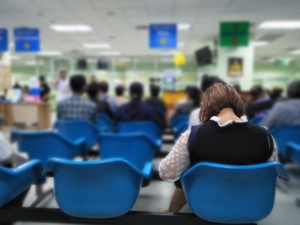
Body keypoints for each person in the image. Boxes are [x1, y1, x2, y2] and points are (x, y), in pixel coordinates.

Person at [159, 83, 278, 212]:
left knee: (188, 168)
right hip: (252, 207)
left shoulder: (193, 135)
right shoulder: (265, 135)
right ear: (238, 103)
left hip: (205, 206)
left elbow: (165, 173)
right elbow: (272, 174)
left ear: (206, 105)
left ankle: (172, 212)